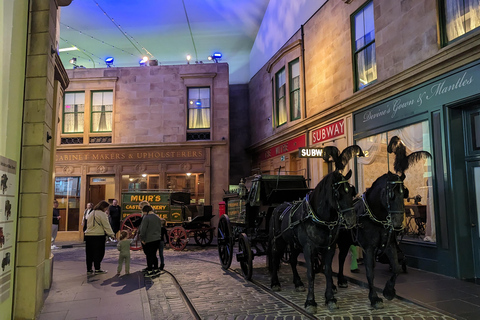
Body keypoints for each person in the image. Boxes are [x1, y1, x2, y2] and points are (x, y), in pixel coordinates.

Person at [84, 200, 115, 275]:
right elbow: (106, 225)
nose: (106, 210)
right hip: (98, 236)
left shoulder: (91, 213)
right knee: (99, 252)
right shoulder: (102, 214)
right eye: (106, 208)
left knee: (89, 253)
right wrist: (112, 234)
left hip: (88, 235)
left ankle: (89, 269)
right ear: (103, 207)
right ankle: (97, 268)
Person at [138, 204, 162, 277]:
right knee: (154, 254)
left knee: (149, 255)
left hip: (149, 239)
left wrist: (142, 239)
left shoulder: (146, 218)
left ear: (145, 211)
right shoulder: (157, 217)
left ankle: (150, 270)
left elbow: (143, 230)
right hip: (157, 238)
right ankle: (156, 268)